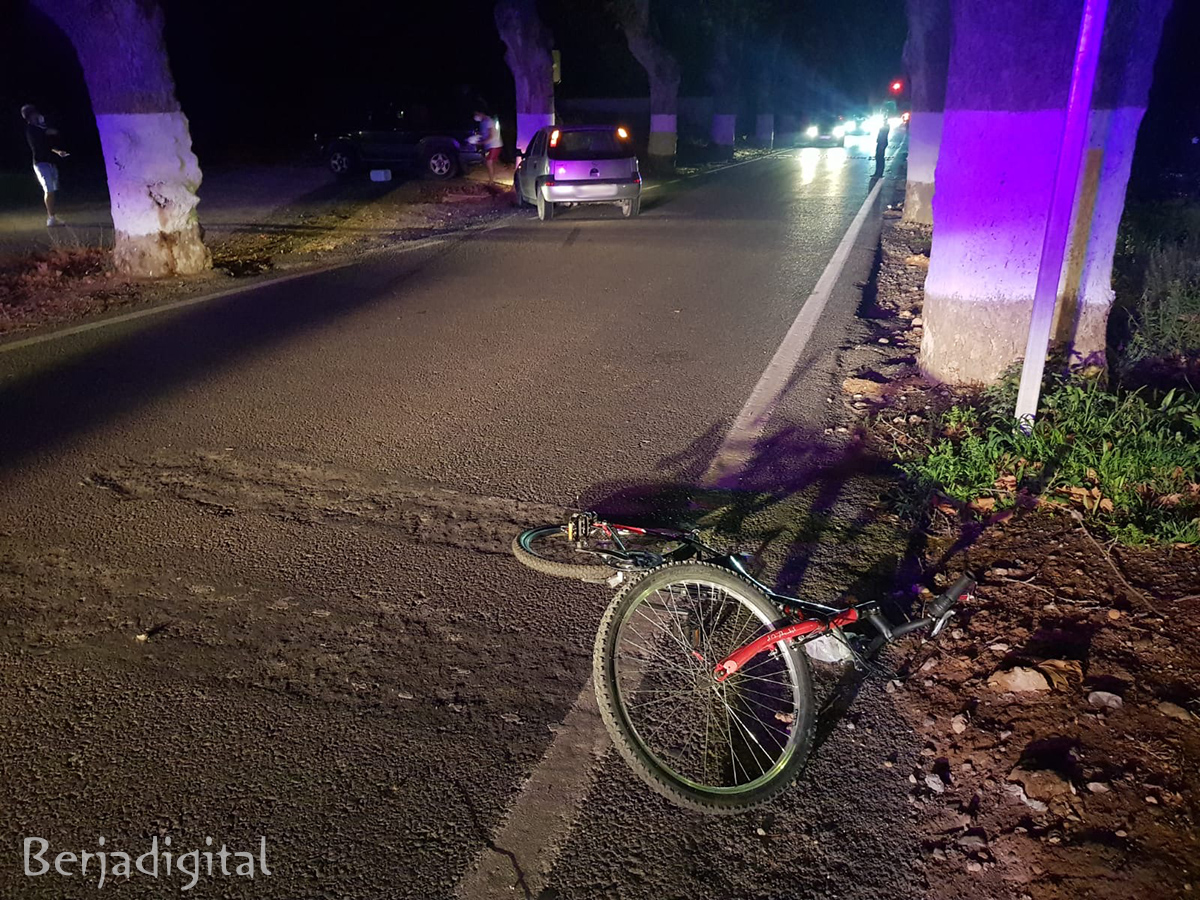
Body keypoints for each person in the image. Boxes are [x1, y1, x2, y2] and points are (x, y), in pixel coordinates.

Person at [473, 109, 502, 184]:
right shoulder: (482, 122)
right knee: (491, 162)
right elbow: (484, 133)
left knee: (489, 162)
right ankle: (494, 178)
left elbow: (491, 136)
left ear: (481, 113)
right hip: (489, 146)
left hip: (494, 145)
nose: (475, 116)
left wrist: (482, 142)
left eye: (477, 114)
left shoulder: (489, 121)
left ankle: (491, 181)